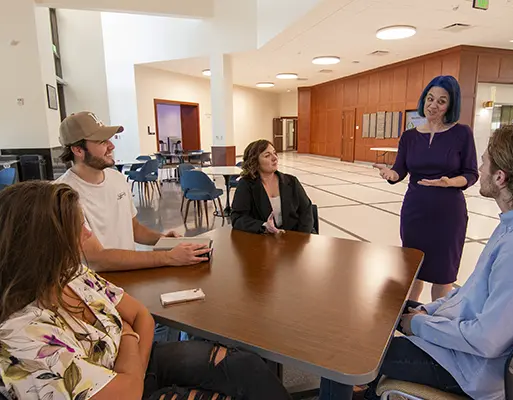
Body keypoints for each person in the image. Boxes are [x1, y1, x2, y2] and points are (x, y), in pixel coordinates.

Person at [0, 181, 291, 400]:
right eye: (77, 229)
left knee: (244, 364)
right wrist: (127, 333)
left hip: (137, 364)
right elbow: (126, 391)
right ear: (41, 246)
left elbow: (142, 315)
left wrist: (131, 362)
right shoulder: (23, 335)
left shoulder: (71, 274)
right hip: (123, 384)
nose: (88, 235)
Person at [356, 125, 513, 400]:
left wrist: (418, 325)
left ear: (500, 177)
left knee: (362, 351)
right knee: (379, 310)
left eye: (485, 162)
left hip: (471, 367)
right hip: (467, 339)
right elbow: (472, 293)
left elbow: (486, 340)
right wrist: (428, 311)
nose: (479, 168)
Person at [55, 111, 209, 272]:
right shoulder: (62, 196)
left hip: (128, 277)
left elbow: (134, 228)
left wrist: (162, 239)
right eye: (101, 141)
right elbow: (97, 258)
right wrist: (168, 257)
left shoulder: (117, 179)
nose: (111, 146)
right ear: (78, 150)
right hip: (96, 288)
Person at [374, 76, 478, 301]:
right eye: (430, 98)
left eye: (441, 101)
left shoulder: (462, 133)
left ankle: (435, 324)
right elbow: (399, 170)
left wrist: (450, 182)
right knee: (413, 271)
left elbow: (471, 174)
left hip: (448, 213)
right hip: (415, 211)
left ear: (451, 105)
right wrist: (390, 174)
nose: (433, 105)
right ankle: (408, 317)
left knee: (443, 275)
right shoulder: (410, 136)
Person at [231, 140, 314, 234]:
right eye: (267, 155)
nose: (275, 158)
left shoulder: (291, 181)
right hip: (263, 240)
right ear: (255, 161)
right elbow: (238, 218)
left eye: (274, 153)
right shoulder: (246, 184)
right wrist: (263, 226)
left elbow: (306, 211)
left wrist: (300, 237)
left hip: (294, 237)